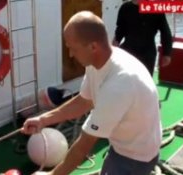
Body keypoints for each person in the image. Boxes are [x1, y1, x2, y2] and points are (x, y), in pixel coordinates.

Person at [21, 11, 162, 175]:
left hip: (136, 157)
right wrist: (43, 119)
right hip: (122, 146)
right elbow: (84, 101)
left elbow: (84, 145)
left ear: (93, 46)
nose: (71, 54)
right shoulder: (96, 62)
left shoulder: (119, 84)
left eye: (73, 49)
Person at [113, 0, 173, 75]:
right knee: (126, 80)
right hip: (128, 52)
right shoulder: (125, 8)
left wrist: (167, 53)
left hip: (147, 53)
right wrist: (114, 46)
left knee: (145, 81)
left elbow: (165, 32)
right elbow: (120, 30)